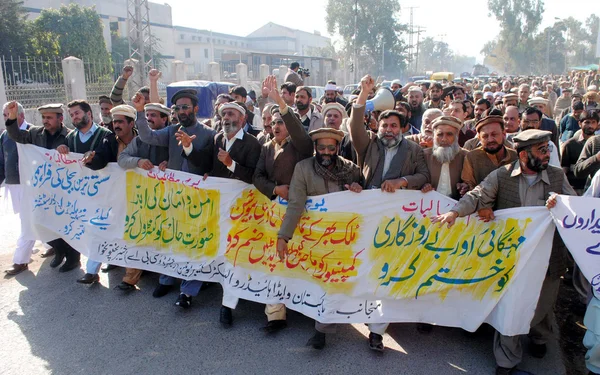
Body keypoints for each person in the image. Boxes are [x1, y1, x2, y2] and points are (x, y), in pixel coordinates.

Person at [432, 129, 576, 375]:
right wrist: (455, 212)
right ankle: (507, 362)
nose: (547, 155)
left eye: (548, 149)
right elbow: (478, 195)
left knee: (541, 306)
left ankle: (540, 338)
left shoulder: (556, 176)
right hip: (512, 259)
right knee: (513, 307)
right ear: (523, 154)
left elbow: (574, 210)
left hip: (548, 258)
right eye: (541, 150)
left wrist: (561, 204)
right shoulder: (502, 175)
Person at [276, 127, 363, 350]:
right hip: (312, 235)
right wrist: (284, 236)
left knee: (332, 281)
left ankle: (321, 331)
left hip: (341, 238)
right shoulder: (303, 168)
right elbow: (296, 203)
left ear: (337, 149)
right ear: (315, 148)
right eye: (321, 147)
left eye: (331, 148)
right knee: (316, 280)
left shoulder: (350, 169)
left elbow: (365, 191)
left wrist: (358, 187)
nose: (326, 152)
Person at [182, 101, 261, 327]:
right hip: (216, 209)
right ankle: (187, 293)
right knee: (205, 249)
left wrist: (231, 163)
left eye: (231, 114)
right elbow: (204, 163)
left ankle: (227, 306)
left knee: (234, 259)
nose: (226, 117)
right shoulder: (218, 139)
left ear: (243, 119)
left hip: (241, 213)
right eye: (223, 113)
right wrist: (189, 148)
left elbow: (254, 177)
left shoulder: (252, 144)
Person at [135, 88, 216, 301]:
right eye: (178, 108)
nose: (181, 111)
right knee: (170, 239)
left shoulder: (208, 134)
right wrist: (139, 112)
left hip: (198, 200)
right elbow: (147, 136)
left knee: (194, 245)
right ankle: (166, 279)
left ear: (196, 109)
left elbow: (210, 165)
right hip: (172, 196)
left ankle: (188, 291)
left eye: (185, 107)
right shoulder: (171, 131)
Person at [252, 75, 314, 334]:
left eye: (281, 122)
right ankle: (275, 315)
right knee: (274, 262)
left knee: (302, 261)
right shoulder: (266, 147)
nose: (276, 126)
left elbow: (302, 136)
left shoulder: (300, 147)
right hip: (271, 213)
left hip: (298, 214)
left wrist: (281, 103)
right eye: (273, 122)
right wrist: (274, 189)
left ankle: (309, 309)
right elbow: (257, 177)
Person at [3, 102, 70, 275]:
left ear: (60, 118)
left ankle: (71, 257)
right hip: (39, 189)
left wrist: (66, 151)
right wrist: (12, 117)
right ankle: (56, 250)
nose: (45, 121)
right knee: (36, 221)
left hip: (63, 190)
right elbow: (15, 135)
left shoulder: (69, 135)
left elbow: (76, 159)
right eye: (43, 118)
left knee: (64, 225)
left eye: (49, 118)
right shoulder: (35, 133)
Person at [75, 105, 139, 287]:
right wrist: (90, 160)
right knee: (100, 229)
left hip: (137, 196)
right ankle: (91, 271)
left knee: (131, 234)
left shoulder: (142, 140)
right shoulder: (109, 139)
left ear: (131, 123)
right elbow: (100, 159)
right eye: (114, 121)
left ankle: (130, 278)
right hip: (113, 195)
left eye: (120, 121)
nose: (116, 125)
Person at [350, 75, 430, 192]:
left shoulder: (414, 150)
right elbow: (356, 126)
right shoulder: (369, 143)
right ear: (378, 127)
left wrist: (401, 181)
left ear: (401, 129)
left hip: (399, 206)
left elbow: (424, 176)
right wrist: (364, 92)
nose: (388, 130)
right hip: (369, 203)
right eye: (384, 125)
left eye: (393, 126)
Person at [461, 115, 519, 190]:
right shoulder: (472, 157)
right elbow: (469, 185)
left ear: (503, 134)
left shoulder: (515, 157)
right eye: (485, 136)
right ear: (479, 139)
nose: (490, 139)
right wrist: (465, 188)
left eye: (494, 134)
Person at [421, 116, 468, 200]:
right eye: (440, 134)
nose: (444, 139)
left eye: (449, 134)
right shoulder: (424, 156)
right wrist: (422, 185)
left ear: (457, 136)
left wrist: (465, 187)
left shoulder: (466, 157)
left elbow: (473, 183)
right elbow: (417, 179)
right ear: (434, 136)